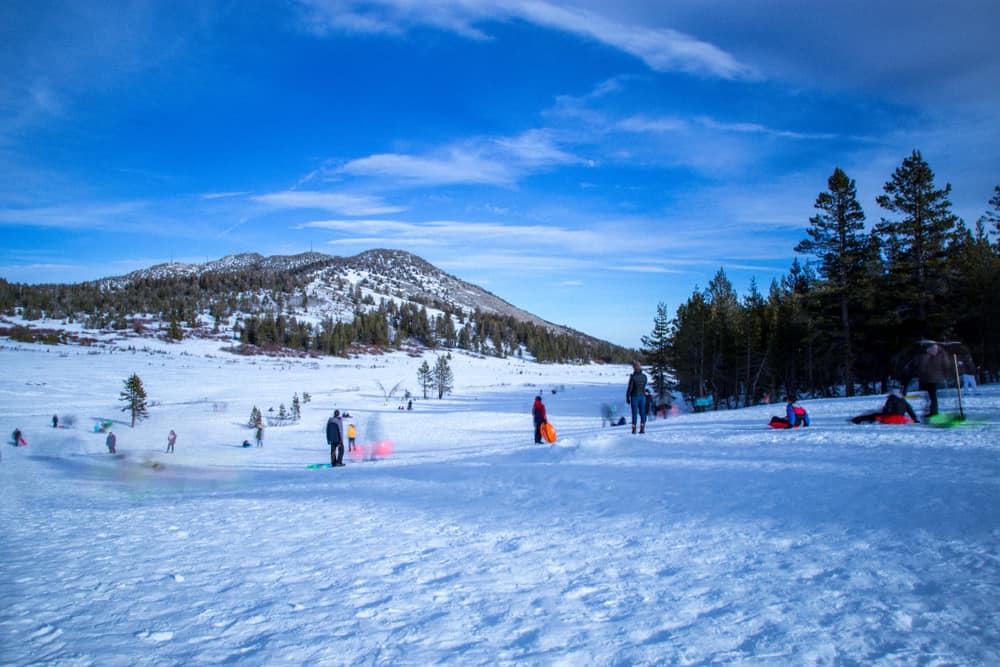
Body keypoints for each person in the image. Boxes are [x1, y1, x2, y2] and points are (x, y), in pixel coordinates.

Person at [915, 342, 952, 417]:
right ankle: (933, 411)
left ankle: (934, 412)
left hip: (929, 378)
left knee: (932, 396)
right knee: (932, 396)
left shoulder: (926, 355)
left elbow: (922, 367)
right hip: (936, 377)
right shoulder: (942, 354)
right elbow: (946, 364)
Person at [851, 387, 919, 424]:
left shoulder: (891, 398)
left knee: (874, 415)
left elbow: (887, 408)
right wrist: (914, 419)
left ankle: (857, 420)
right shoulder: (903, 400)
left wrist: (883, 417)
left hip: (892, 418)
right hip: (902, 419)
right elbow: (910, 410)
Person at [625, 361, 648, 434]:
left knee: (634, 413)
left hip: (635, 396)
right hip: (642, 396)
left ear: (634, 368)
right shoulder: (644, 376)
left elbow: (630, 388)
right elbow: (644, 386)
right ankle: (642, 428)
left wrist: (627, 396)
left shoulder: (633, 377)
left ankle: (634, 429)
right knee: (642, 413)